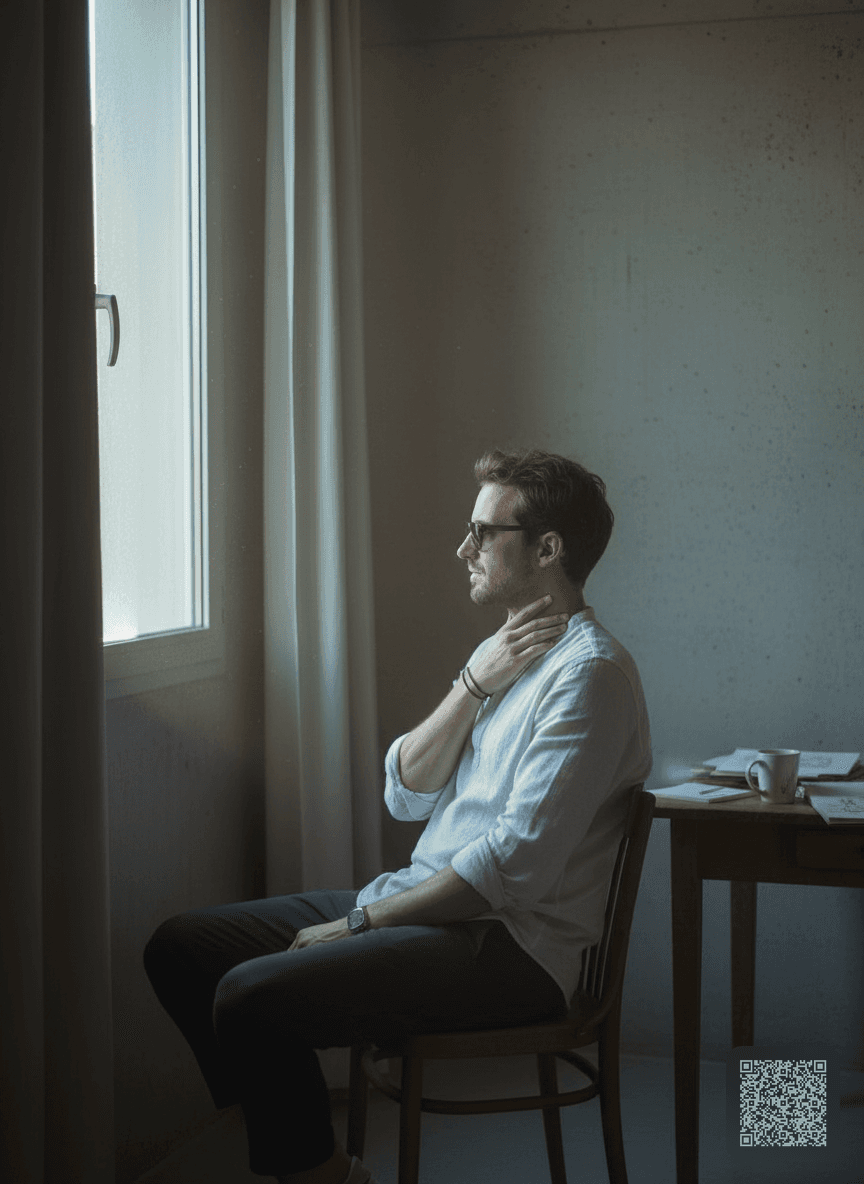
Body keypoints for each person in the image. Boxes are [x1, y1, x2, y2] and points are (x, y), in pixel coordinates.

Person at [143, 447, 652, 1184]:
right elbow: (404, 793)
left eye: (483, 533)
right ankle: (292, 1142)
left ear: (547, 549)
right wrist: (473, 683)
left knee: (248, 997)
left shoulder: (591, 677)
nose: (463, 548)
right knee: (182, 947)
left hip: (511, 947)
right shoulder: (508, 656)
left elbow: (509, 869)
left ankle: (316, 1172)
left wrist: (357, 924)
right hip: (433, 904)